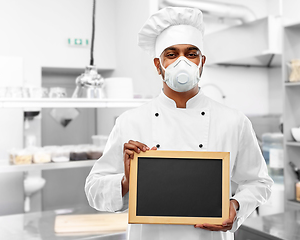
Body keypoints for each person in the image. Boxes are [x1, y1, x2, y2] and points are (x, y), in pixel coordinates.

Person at [85, 7, 273, 240]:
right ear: (158, 64)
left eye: (191, 54)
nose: (182, 62)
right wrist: (126, 181)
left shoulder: (234, 121)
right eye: (172, 54)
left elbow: (259, 182)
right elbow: (94, 191)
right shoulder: (130, 122)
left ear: (202, 62)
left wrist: (236, 206)